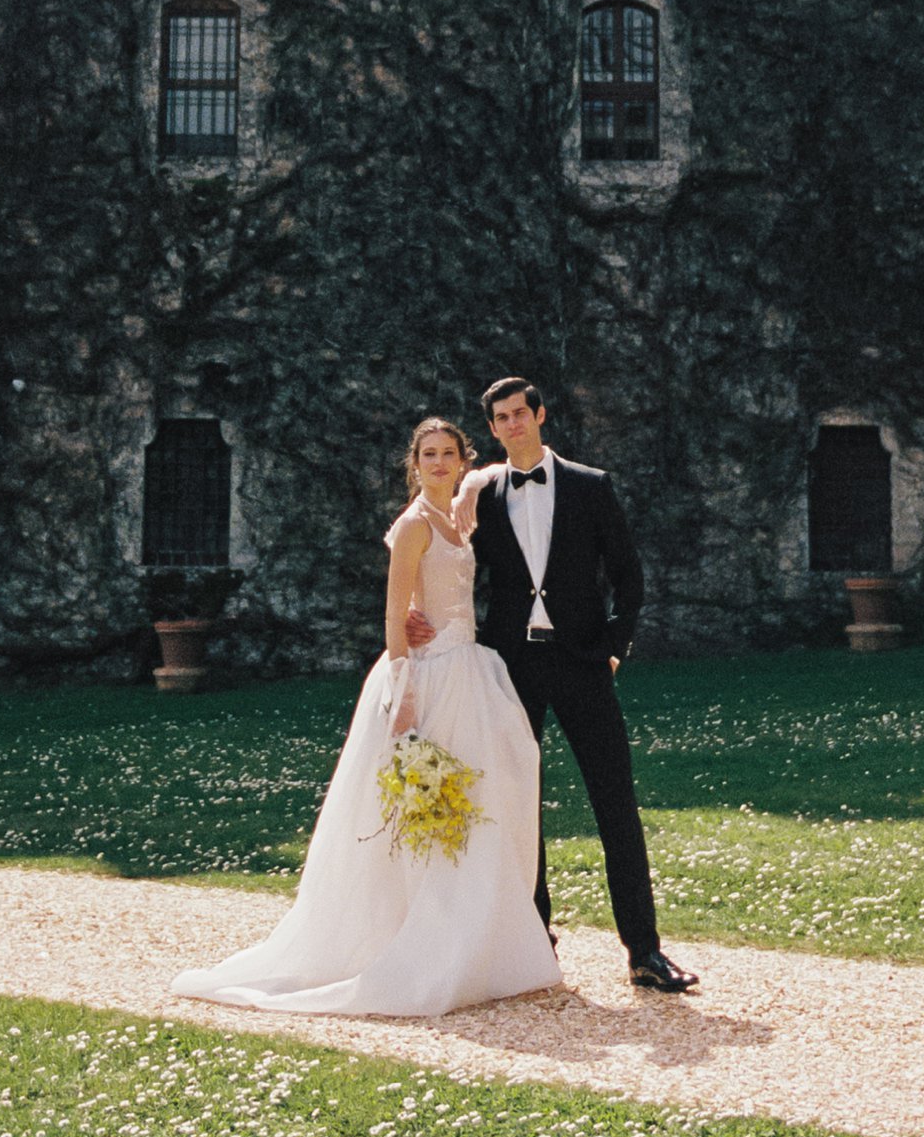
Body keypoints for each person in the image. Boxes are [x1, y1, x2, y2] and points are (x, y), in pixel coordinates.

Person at [169, 415, 561, 1017]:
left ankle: (477, 945)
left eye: (448, 454)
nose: (438, 463)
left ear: (460, 460)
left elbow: (491, 475)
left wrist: (480, 479)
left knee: (483, 800)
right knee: (428, 814)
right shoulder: (411, 526)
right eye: (427, 454)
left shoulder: (459, 511)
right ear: (415, 462)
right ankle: (421, 946)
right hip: (426, 678)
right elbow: (391, 612)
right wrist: (402, 690)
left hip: (469, 673)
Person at [427, 376, 699, 995]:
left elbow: (629, 576)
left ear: (540, 415)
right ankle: (534, 945)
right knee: (519, 807)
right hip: (510, 668)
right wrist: (420, 617)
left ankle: (645, 952)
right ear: (492, 430)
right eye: (501, 418)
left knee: (615, 804)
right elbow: (440, 557)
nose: (514, 424)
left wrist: (612, 649)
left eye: (521, 413)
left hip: (582, 663)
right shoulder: (483, 494)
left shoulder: (589, 485)